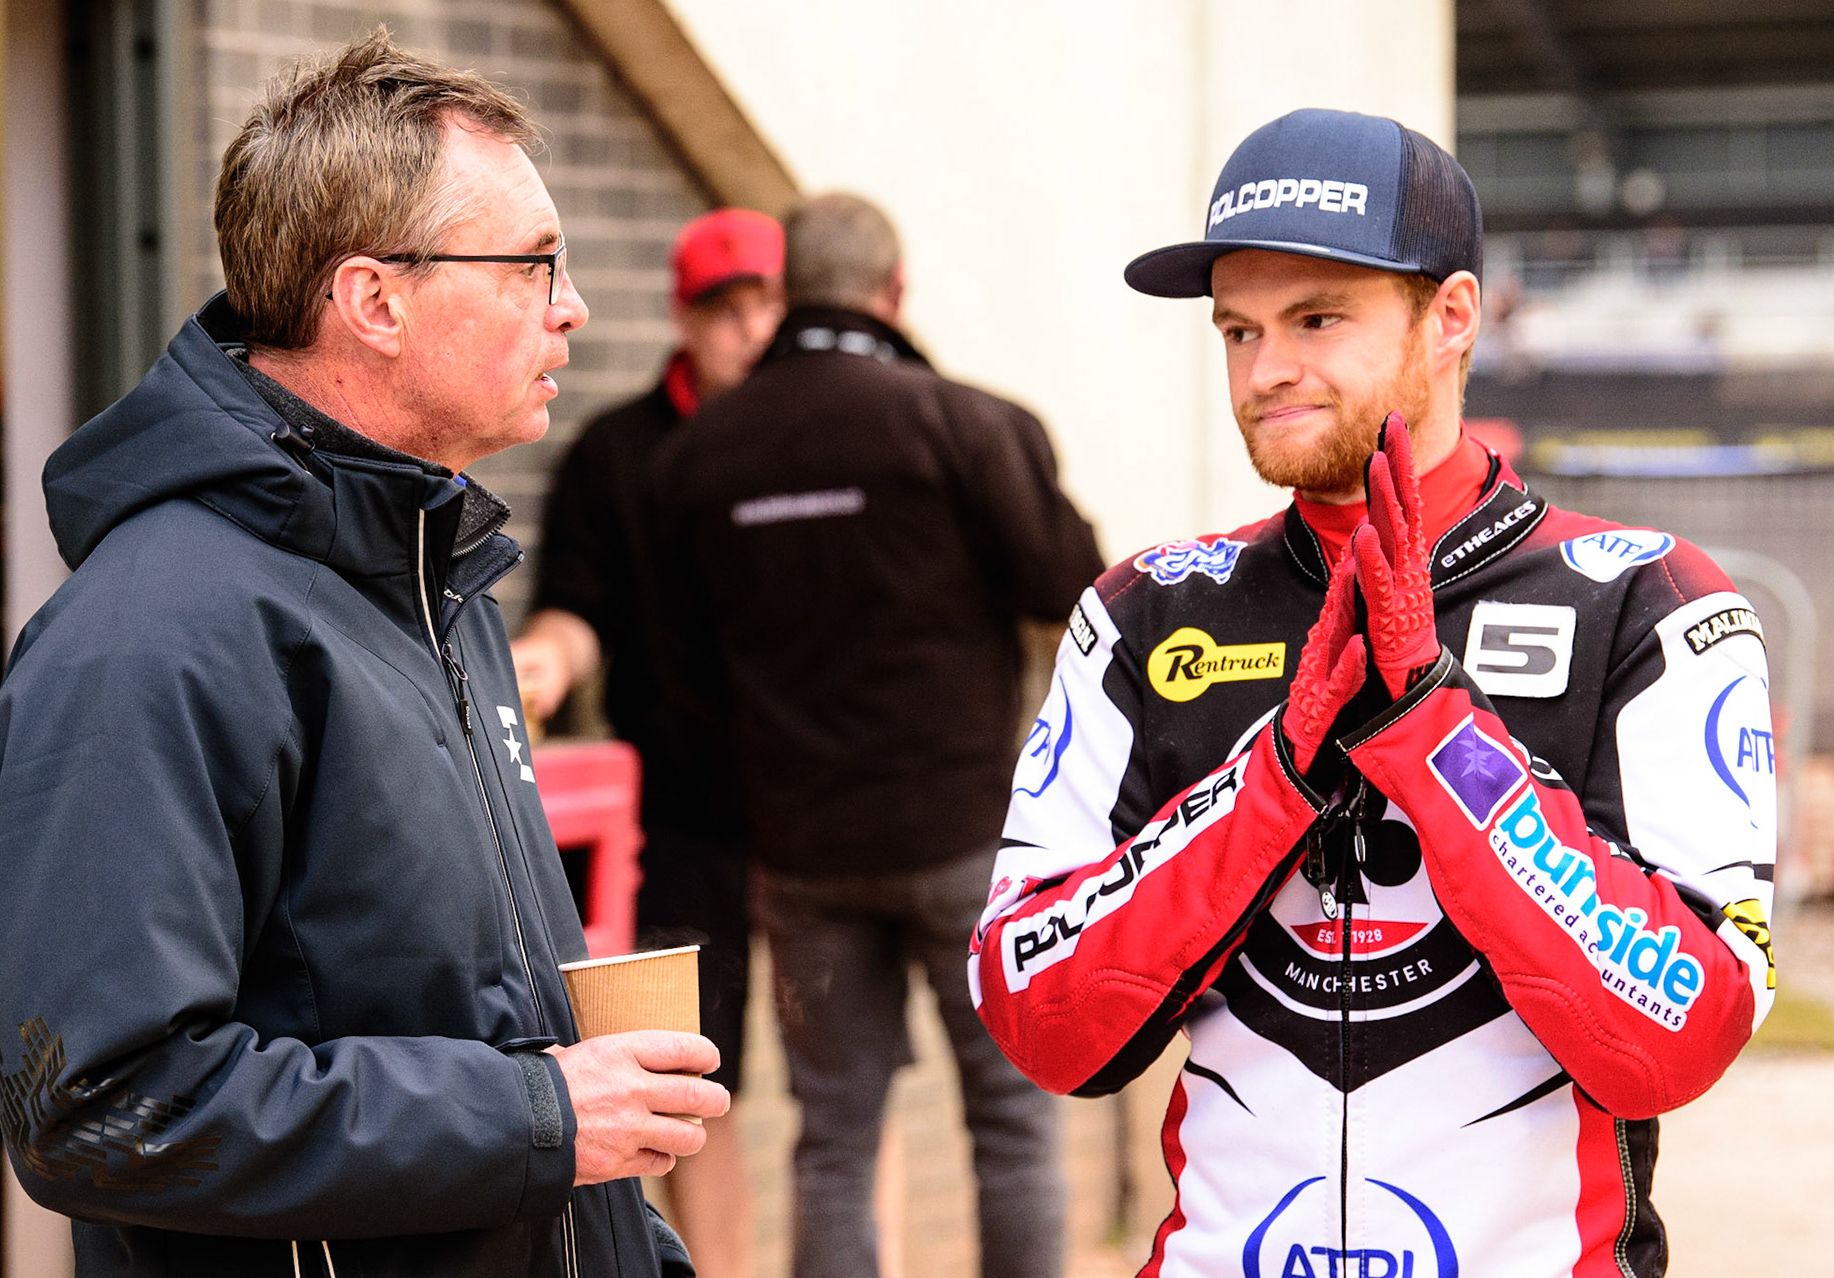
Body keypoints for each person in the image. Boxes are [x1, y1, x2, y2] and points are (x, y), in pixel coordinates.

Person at [970, 109, 1781, 1278]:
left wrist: (1436, 735)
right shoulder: (1147, 612)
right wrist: (1270, 783)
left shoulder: (1645, 601)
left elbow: (1682, 1032)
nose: (1265, 371)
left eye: (1317, 319)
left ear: (1451, 318)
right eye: (1238, 330)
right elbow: (1036, 1013)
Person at [0, 32, 725, 1278]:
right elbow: (100, 1108)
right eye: (534, 265)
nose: (573, 305)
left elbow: (530, 1045)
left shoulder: (443, 584)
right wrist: (539, 1117)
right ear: (375, 300)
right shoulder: (149, 638)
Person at [654, 192, 1101, 1278]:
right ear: (894, 292)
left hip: (802, 853)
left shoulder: (696, 460)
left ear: (787, 293)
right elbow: (1077, 587)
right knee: (1010, 1120)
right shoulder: (969, 425)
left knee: (834, 1141)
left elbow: (679, 676)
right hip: (967, 841)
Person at [511, 206, 786, 1278]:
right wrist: (544, 660)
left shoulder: (823, 439)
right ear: (684, 316)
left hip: (816, 819)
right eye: (726, 309)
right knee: (694, 1082)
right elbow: (579, 608)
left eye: (767, 304)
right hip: (679, 820)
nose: (750, 330)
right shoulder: (616, 454)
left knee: (840, 1087)